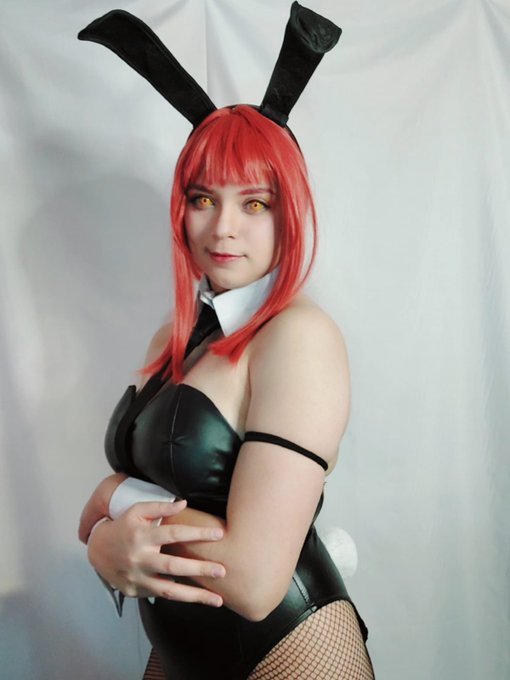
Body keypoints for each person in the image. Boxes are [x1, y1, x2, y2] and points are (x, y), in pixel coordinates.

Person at [78, 5, 374, 679]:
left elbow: (253, 577)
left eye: (255, 203)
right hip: (181, 650)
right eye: (203, 198)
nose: (223, 229)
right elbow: (140, 516)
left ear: (289, 214)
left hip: (290, 650)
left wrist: (115, 499)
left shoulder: (299, 338)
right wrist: (103, 539)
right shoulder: (175, 336)